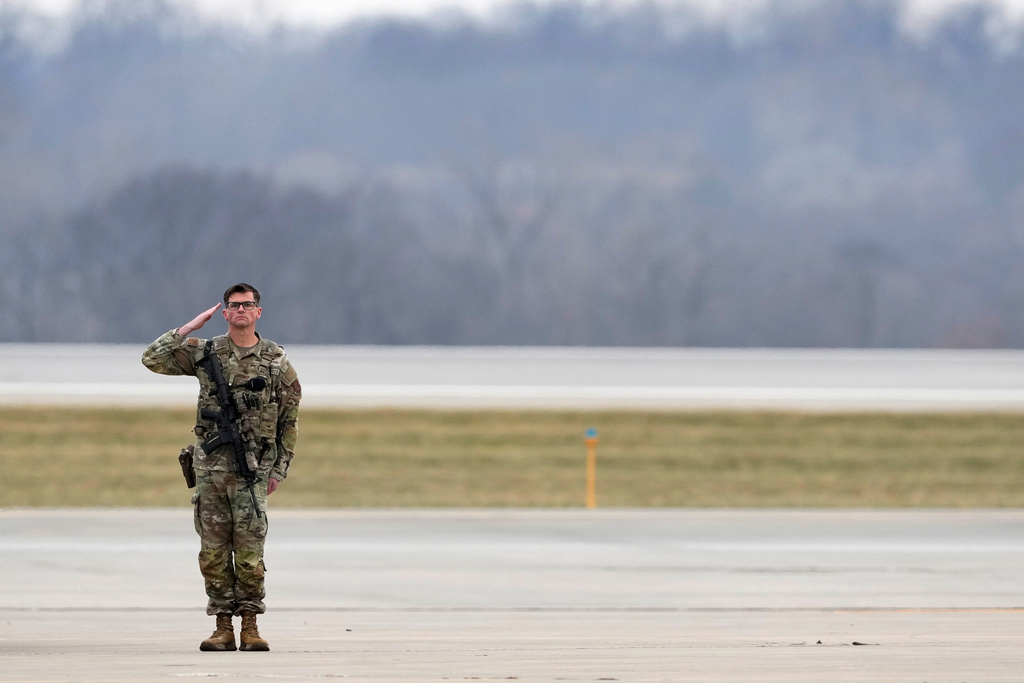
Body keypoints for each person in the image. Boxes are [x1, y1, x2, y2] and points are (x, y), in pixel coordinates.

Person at [142, 283, 301, 652]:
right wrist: (187, 329)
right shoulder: (207, 351)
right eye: (233, 306)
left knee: (249, 553)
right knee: (213, 552)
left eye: (247, 305)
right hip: (211, 469)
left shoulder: (276, 360)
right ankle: (222, 626)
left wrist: (279, 469)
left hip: (252, 470)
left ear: (258, 311)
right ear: (225, 313)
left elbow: (289, 419)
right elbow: (152, 359)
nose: (241, 310)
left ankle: (250, 624)